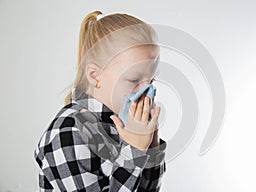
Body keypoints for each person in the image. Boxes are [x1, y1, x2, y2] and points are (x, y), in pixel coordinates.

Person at [33, 10, 167, 191]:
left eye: (151, 81)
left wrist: (150, 147)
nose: (148, 92)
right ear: (95, 76)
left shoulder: (122, 123)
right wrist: (134, 151)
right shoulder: (70, 131)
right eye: (134, 80)